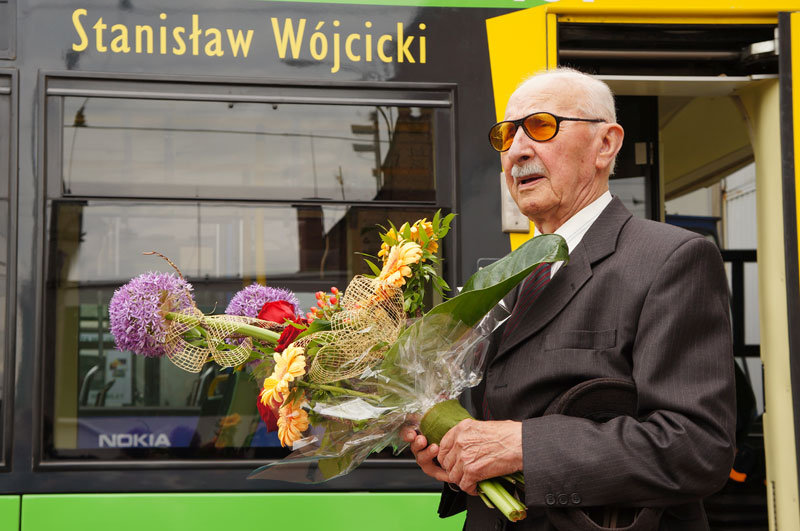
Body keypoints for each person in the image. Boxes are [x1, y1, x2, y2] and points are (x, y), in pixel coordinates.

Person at [401, 68, 735, 530]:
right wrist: (455, 456)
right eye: (506, 135)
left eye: (540, 126)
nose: (517, 150)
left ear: (606, 144)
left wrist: (524, 448)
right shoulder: (508, 278)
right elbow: (496, 421)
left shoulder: (671, 259)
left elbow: (697, 448)